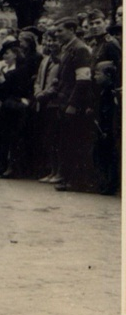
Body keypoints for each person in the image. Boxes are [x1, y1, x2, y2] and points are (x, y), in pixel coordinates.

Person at [52, 17, 95, 192]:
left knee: (74, 141)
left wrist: (73, 103)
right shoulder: (68, 49)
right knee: (66, 141)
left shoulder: (80, 49)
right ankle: (68, 178)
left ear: (71, 30)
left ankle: (75, 180)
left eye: (60, 30)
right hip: (64, 101)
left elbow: (82, 80)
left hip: (73, 103)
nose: (57, 34)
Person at [0, 40, 33, 179]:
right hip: (6, 106)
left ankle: (13, 167)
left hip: (15, 106)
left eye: (7, 53)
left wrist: (3, 83)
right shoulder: (5, 70)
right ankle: (4, 166)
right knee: (5, 137)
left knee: (14, 137)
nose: (5, 56)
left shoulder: (20, 70)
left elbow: (15, 89)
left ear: (15, 54)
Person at [34, 30, 62, 183]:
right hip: (43, 102)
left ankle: (58, 171)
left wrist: (45, 94)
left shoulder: (61, 60)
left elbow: (58, 83)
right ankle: (52, 170)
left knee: (56, 138)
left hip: (54, 102)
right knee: (48, 138)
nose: (50, 44)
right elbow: (38, 80)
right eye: (48, 41)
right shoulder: (45, 60)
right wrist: (38, 92)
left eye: (53, 40)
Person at [93, 61, 121, 196]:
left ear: (108, 75)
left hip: (107, 130)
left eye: (98, 74)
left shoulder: (110, 92)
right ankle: (106, 183)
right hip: (103, 128)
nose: (95, 77)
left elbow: (111, 114)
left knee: (108, 156)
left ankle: (110, 184)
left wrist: (106, 129)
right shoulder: (104, 90)